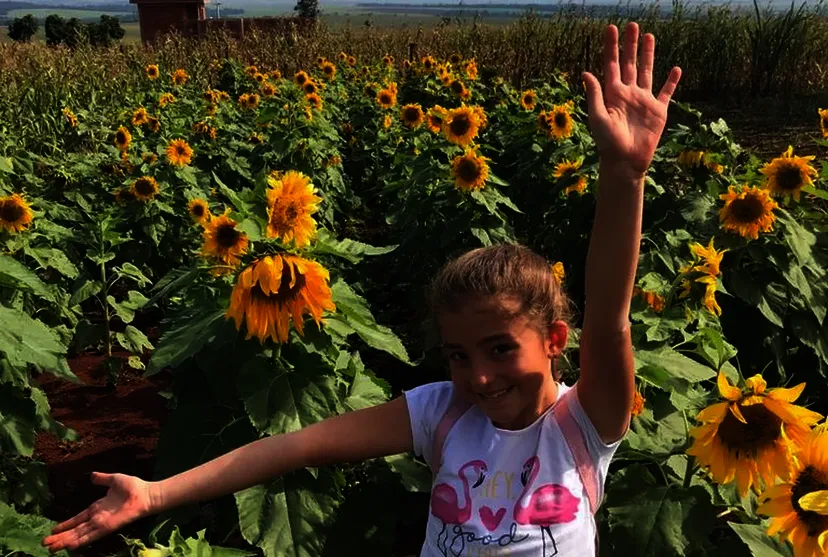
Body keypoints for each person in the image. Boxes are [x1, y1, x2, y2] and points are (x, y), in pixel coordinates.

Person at [42, 21, 681, 557]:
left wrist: (623, 176)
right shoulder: (444, 414)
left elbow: (611, 320)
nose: (479, 376)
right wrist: (156, 493)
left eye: (499, 348)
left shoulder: (583, 425)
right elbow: (292, 446)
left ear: (553, 340)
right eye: (459, 355)